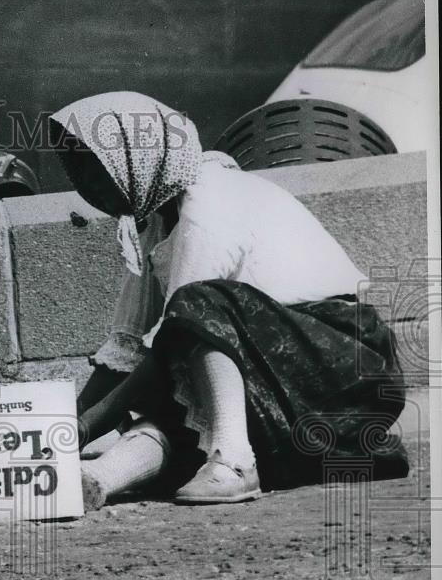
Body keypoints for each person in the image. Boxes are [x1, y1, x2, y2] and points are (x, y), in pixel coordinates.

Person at [49, 91, 409, 510]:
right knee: (184, 408)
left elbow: (176, 330)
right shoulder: (155, 222)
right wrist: (57, 431)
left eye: (97, 169)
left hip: (345, 359)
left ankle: (235, 463)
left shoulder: (210, 195)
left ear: (136, 155)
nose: (88, 186)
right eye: (76, 171)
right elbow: (126, 349)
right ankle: (96, 479)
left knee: (194, 310)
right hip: (281, 373)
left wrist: (83, 427)